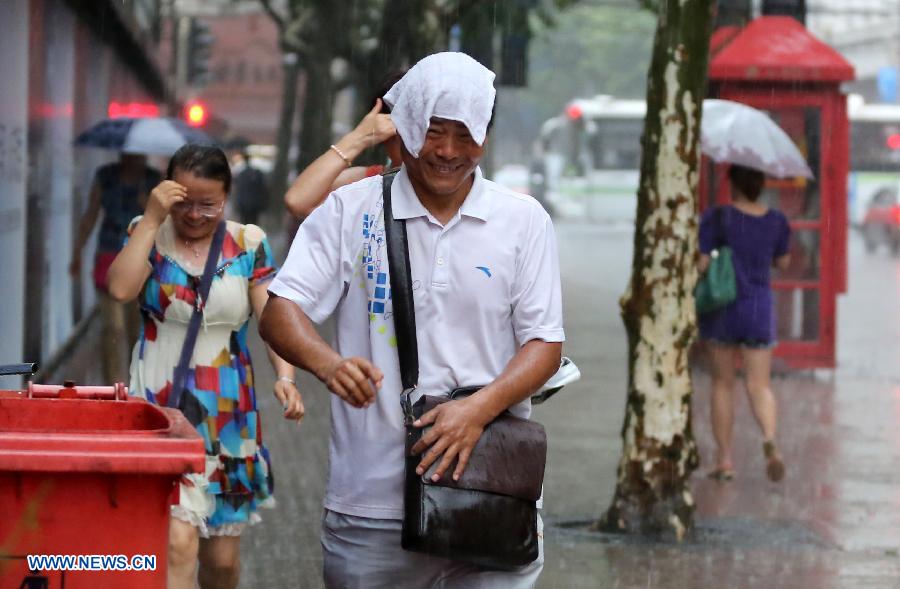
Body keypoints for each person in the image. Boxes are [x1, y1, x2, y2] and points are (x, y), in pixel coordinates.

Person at [260, 52, 564, 588]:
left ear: (486, 136)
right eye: (433, 132)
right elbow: (281, 310)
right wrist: (327, 364)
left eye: (465, 135)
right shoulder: (351, 209)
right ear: (406, 126)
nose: (447, 152)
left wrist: (476, 411)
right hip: (371, 509)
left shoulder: (523, 221)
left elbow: (544, 343)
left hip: (491, 497)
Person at [106, 144, 304, 589]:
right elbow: (120, 289)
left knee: (221, 564)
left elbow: (274, 320)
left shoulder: (248, 243)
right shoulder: (147, 232)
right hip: (160, 405)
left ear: (228, 195)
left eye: (208, 204)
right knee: (177, 543)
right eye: (183, 202)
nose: (194, 214)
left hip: (229, 409)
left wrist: (286, 378)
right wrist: (154, 217)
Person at [698, 163, 791, 483]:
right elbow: (783, 261)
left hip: (723, 309)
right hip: (758, 310)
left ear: (733, 183)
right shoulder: (776, 221)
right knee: (759, 385)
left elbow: (702, 262)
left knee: (723, 384)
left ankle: (725, 460)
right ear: (761, 185)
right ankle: (769, 438)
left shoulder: (718, 217)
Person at [69, 152, 161, 383]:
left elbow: (167, 222)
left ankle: (136, 382)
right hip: (108, 254)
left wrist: (149, 208)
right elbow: (91, 214)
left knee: (136, 327)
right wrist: (77, 252)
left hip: (143, 259)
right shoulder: (106, 176)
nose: (134, 157)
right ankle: (112, 384)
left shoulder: (153, 179)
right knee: (113, 327)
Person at [283, 71, 405, 220]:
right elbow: (297, 201)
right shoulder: (364, 182)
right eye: (403, 128)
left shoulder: (440, 186)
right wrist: (358, 137)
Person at [226, 138, 270, 226]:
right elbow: (264, 188)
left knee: (244, 223)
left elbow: (236, 188)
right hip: (255, 203)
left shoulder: (241, 173)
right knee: (253, 223)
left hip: (244, 203)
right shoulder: (258, 172)